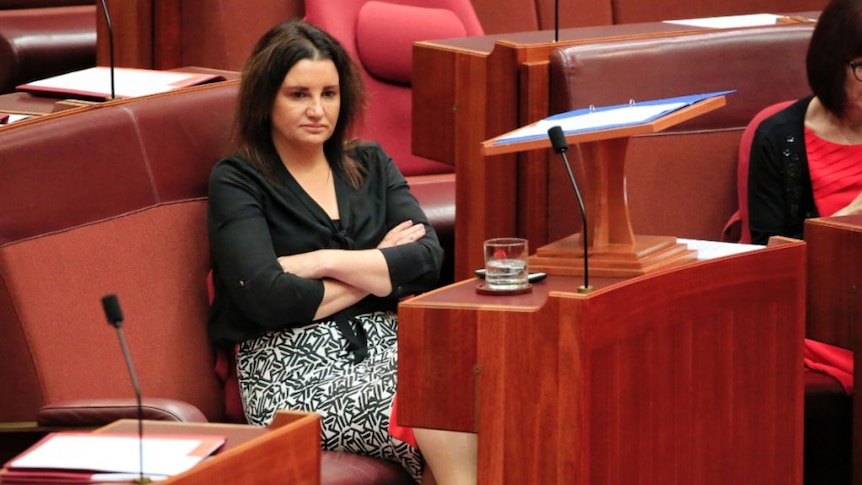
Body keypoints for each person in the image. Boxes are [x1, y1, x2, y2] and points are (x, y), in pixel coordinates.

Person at [206, 19, 476, 484]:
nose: (317, 110)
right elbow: (266, 297)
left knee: (487, 385)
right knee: (439, 400)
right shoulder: (237, 179)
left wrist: (321, 261)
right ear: (265, 99)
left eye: (329, 94)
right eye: (299, 95)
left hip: (394, 352)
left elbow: (427, 262)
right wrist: (378, 265)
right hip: (290, 370)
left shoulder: (371, 163)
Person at [747, 0, 862, 394]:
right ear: (833, 63)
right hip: (822, 311)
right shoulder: (779, 137)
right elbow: (767, 258)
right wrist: (845, 221)